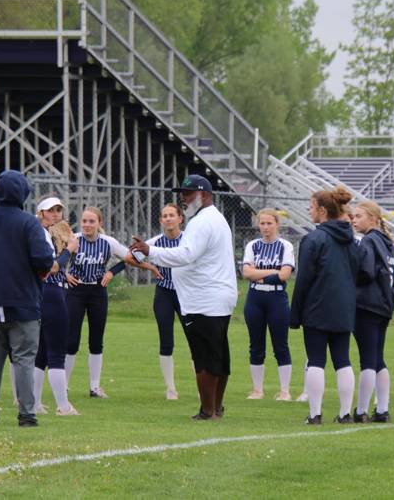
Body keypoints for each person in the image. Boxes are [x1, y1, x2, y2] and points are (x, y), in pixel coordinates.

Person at [130, 175, 238, 420]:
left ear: (204, 195)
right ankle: (216, 408)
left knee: (204, 358)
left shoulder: (202, 222)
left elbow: (186, 254)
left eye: (188, 194)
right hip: (217, 296)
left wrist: (151, 251)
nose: (183, 198)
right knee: (219, 356)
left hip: (204, 299)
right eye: (183, 194)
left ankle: (207, 410)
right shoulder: (215, 218)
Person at [0, 170, 54, 427]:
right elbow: (43, 259)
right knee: (25, 359)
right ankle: (26, 413)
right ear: (21, 193)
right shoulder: (29, 223)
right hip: (24, 301)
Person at [290, 186, 358, 425]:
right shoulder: (351, 239)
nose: (309, 211)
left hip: (317, 307)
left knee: (316, 359)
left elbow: (304, 279)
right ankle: (345, 413)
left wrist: (295, 312)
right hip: (344, 307)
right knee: (343, 359)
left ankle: (315, 413)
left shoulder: (314, 239)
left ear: (321, 210)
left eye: (311, 207)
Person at [65, 206, 129, 398]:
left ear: (100, 223)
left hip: (97, 292)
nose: (87, 225)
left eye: (92, 221)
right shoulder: (74, 240)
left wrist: (111, 272)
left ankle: (94, 387)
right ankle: (64, 385)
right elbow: (53, 260)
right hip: (75, 291)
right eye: (84, 221)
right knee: (71, 340)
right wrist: (65, 274)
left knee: (96, 340)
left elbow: (131, 257)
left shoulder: (108, 242)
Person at [126, 204, 184, 400]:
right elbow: (130, 256)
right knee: (166, 341)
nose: (168, 219)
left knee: (196, 340)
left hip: (187, 294)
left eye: (172, 215)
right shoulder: (154, 242)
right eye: (165, 216)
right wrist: (150, 267)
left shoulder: (189, 240)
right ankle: (170, 389)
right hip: (165, 292)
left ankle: (203, 387)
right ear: (160, 220)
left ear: (180, 219)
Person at [351, 200, 394, 423]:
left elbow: (366, 271)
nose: (354, 220)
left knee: (368, 359)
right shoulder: (387, 242)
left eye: (359, 216)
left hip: (367, 305)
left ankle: (361, 411)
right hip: (384, 305)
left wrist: (351, 282)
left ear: (372, 218)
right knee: (378, 358)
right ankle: (383, 409)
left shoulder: (369, 241)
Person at [241, 209, 295, 401]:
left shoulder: (285, 246)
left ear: (277, 224)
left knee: (280, 345)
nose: (265, 227)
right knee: (256, 346)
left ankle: (284, 390)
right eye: (262, 223)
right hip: (255, 298)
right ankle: (257, 389)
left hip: (277, 300)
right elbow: (246, 273)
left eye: (269, 223)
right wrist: (273, 271)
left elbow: (284, 275)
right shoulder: (253, 245)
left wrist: (261, 273)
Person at [33, 195, 80, 416]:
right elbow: (51, 268)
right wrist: (69, 249)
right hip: (52, 291)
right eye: (50, 210)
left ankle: (34, 403)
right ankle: (63, 406)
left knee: (42, 352)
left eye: (58, 210)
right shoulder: (41, 232)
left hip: (45, 292)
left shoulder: (41, 231)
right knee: (56, 352)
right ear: (41, 213)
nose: (55, 214)